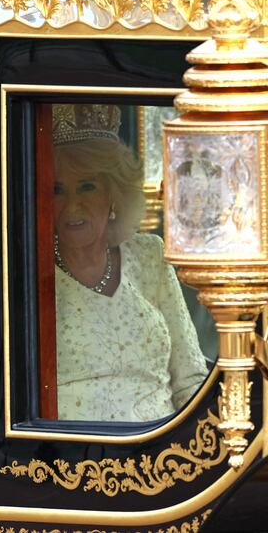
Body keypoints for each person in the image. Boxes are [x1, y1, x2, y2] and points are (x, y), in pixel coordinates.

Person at [52, 104, 208, 422]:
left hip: (165, 448)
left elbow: (190, 376)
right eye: (57, 190)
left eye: (87, 186)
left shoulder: (149, 255)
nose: (72, 204)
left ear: (114, 193)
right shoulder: (29, 268)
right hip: (73, 456)